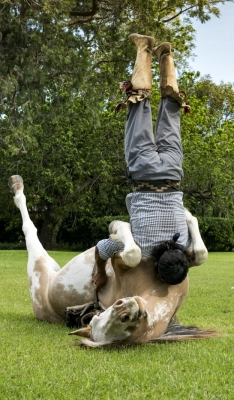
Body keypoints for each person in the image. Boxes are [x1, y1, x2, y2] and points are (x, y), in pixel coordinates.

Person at [93, 33, 193, 288]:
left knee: (171, 111)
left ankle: (166, 55)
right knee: (139, 106)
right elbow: (102, 247)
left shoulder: (185, 243)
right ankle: (143, 47)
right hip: (144, 174)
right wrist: (101, 272)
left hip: (172, 174)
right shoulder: (143, 248)